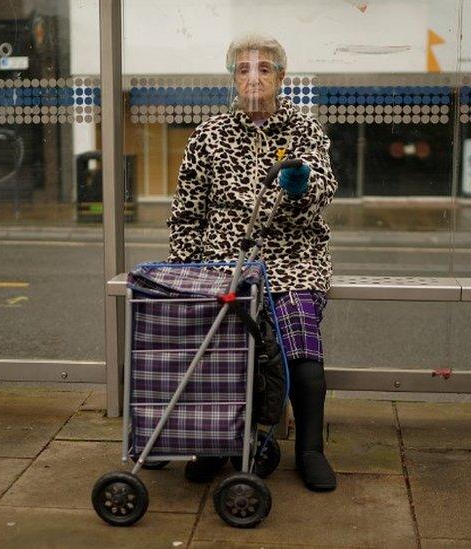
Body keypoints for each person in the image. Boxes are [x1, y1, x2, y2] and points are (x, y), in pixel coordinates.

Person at [167, 32, 338, 492]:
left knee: (299, 347)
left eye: (264, 69)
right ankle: (216, 444)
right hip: (226, 262)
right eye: (244, 69)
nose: (254, 78)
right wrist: (188, 273)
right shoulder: (209, 135)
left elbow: (320, 196)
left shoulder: (305, 131)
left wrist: (300, 187)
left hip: (292, 259)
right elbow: (187, 213)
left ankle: (310, 450)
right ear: (233, 79)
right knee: (215, 346)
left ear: (281, 77)